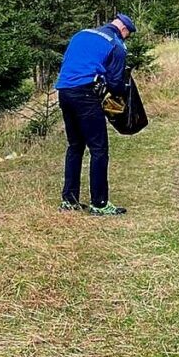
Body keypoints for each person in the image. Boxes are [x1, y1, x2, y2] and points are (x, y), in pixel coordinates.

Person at [54, 13, 136, 216]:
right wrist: (122, 94)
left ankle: (69, 200)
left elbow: (69, 63)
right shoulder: (117, 45)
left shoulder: (81, 34)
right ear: (124, 30)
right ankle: (99, 203)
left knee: (75, 145)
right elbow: (116, 84)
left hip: (64, 91)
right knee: (99, 149)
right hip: (86, 95)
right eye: (128, 35)